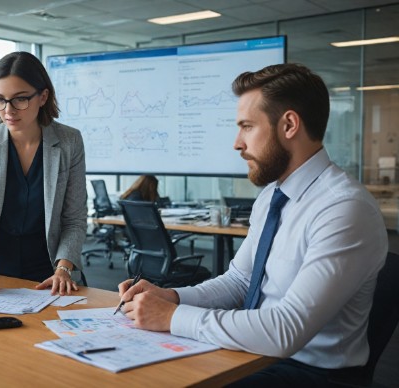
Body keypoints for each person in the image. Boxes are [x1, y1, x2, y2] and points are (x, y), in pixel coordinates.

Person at [118, 63, 387, 386]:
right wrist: (172, 297)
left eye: (247, 126)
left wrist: (173, 317)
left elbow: (286, 330)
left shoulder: (344, 209)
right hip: (253, 354)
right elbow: (240, 282)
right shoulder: (273, 195)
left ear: (289, 125)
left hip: (311, 374)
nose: (237, 143)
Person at [0, 51, 87, 296]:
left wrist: (64, 268)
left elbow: (74, 219)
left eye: (20, 99)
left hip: (50, 272)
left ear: (43, 96)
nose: (8, 110)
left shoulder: (69, 141)